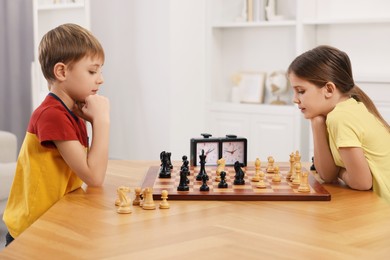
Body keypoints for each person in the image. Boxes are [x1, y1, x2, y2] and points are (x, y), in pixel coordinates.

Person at [3, 23, 110, 246]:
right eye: (92, 71)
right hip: (31, 231)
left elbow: (88, 169)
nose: (100, 79)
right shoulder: (52, 114)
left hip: (54, 219)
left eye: (100, 71)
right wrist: (102, 121)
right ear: (61, 72)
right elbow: (94, 176)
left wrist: (91, 120)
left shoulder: (70, 111)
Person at [287, 45, 390, 202]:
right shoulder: (345, 109)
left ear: (329, 89)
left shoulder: (341, 118)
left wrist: (340, 171)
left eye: (301, 91)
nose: (295, 99)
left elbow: (361, 182)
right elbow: (327, 175)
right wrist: (317, 123)